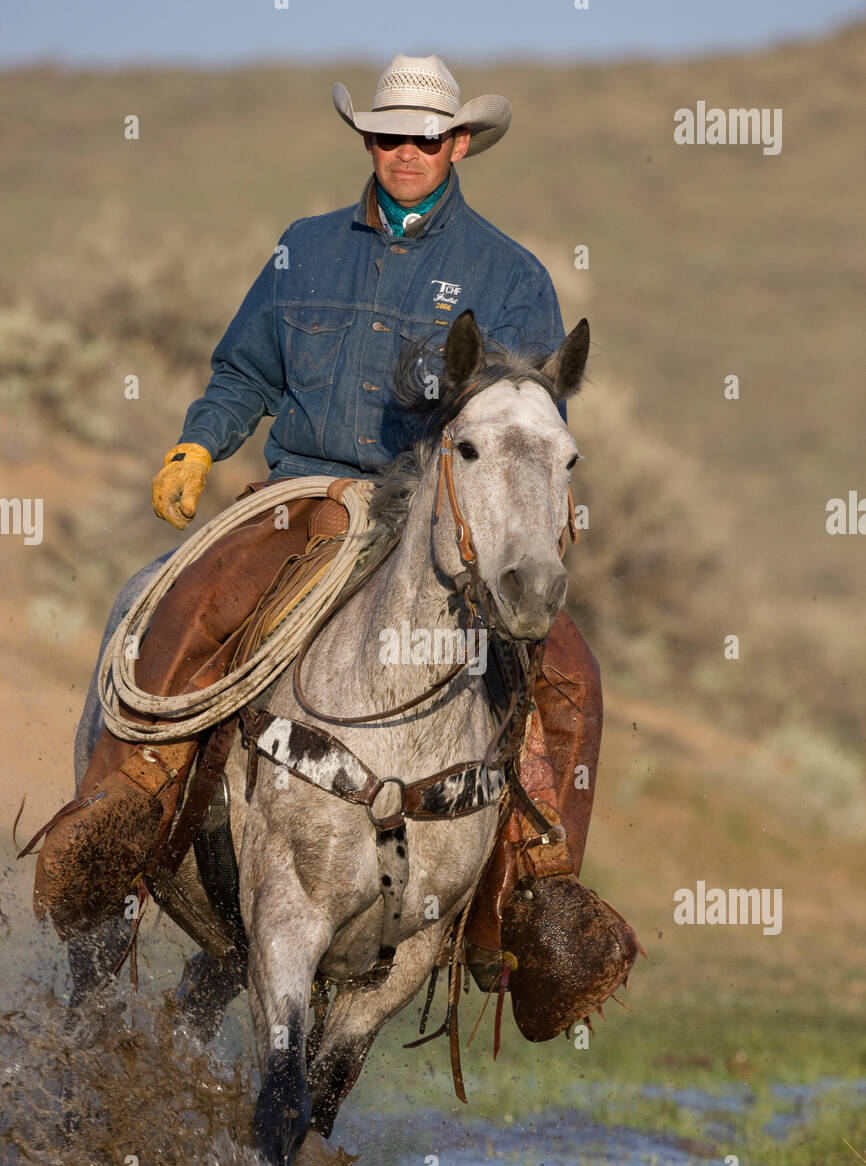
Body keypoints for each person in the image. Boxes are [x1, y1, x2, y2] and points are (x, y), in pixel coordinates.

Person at [34, 55, 639, 1033]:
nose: (406, 151)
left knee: (567, 670)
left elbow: (528, 427)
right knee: (193, 601)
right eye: (390, 134)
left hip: (440, 511)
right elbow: (243, 369)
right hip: (303, 493)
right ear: (367, 140)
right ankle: (126, 807)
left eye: (426, 136)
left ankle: (530, 897)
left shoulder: (510, 274)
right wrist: (198, 440)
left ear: (458, 145)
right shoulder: (302, 251)